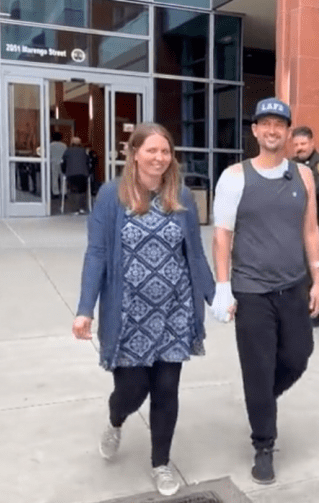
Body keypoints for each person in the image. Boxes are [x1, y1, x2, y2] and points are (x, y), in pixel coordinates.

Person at [72, 123, 215, 497]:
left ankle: (161, 464)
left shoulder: (180, 195)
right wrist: (85, 308)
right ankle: (116, 420)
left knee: (167, 389)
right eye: (151, 150)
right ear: (134, 153)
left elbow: (195, 255)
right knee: (131, 389)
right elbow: (97, 253)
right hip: (129, 315)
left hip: (174, 311)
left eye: (165, 151)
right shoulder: (110, 196)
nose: (159, 158)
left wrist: (216, 298)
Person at [211, 98, 319, 485]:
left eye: (280, 124)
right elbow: (222, 235)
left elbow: (311, 229)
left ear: (288, 132)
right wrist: (222, 287)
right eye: (266, 124)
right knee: (257, 369)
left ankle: (260, 401)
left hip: (293, 286)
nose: (273, 130)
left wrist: (318, 280)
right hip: (252, 291)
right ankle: (263, 445)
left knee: (299, 356)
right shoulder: (234, 177)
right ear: (255, 131)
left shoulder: (303, 176)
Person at [291, 126, 319, 327]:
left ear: (312, 142)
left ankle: (314, 312)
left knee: (311, 268)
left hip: (313, 223)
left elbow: (312, 191)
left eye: (303, 144)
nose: (299, 148)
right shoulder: (290, 164)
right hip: (293, 225)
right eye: (296, 144)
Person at [62, 136, 91, 214]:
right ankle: (82, 208)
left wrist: (64, 172)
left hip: (71, 174)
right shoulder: (84, 151)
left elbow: (63, 163)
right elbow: (88, 163)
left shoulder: (67, 151)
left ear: (71, 143)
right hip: (83, 174)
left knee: (72, 191)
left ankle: (74, 209)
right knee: (82, 191)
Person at [49, 132, 67, 198]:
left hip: (54, 162)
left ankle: (55, 192)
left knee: (54, 178)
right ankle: (64, 192)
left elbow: (49, 155)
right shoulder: (64, 145)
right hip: (62, 162)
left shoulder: (51, 145)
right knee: (63, 178)